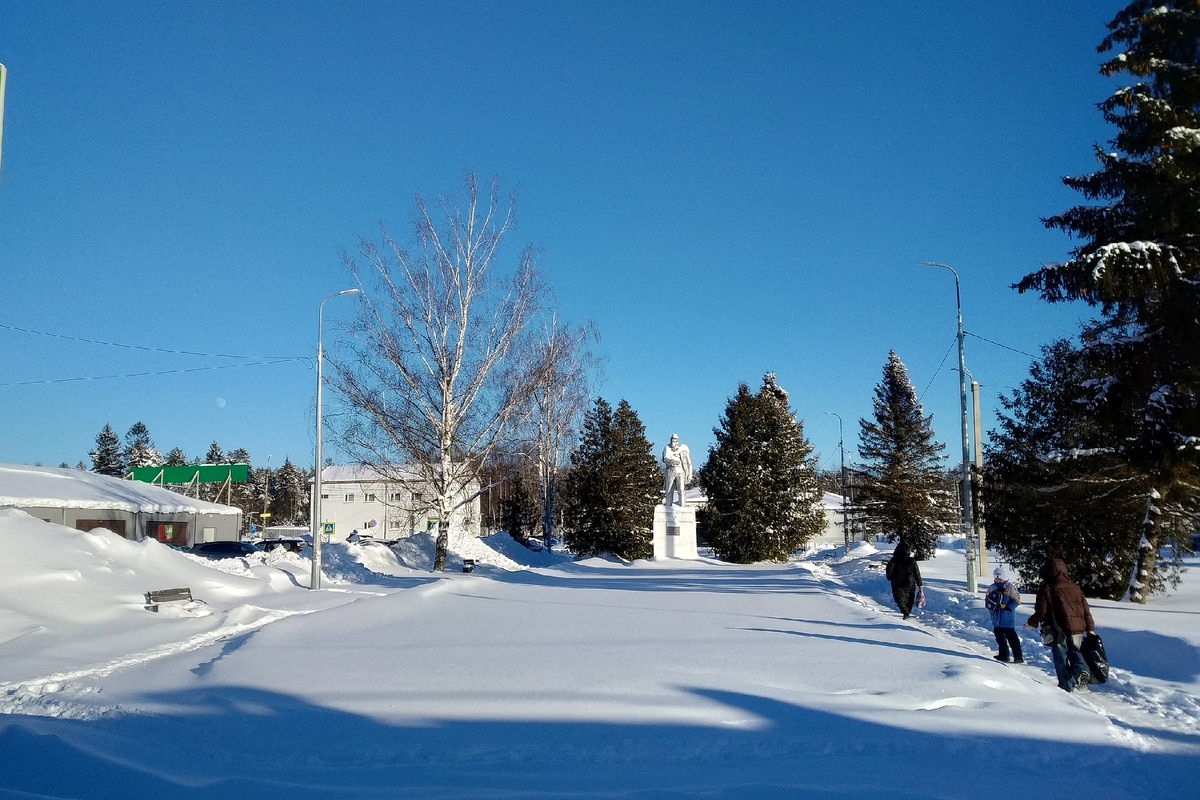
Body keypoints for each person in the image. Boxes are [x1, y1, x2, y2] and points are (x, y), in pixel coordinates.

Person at [1024, 557, 1096, 692]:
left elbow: (1041, 612)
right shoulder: (1075, 588)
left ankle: (1066, 685)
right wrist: (1090, 628)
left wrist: (1031, 623)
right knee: (1075, 651)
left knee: (1061, 656)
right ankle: (1081, 671)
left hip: (1057, 628)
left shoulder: (1046, 588)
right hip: (1077, 627)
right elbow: (1086, 609)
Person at [986, 566, 1023, 664]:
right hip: (996, 618)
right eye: (996, 578)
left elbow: (1017, 600)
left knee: (1012, 638)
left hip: (1007, 618)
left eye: (1000, 578)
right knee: (999, 638)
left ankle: (1018, 656)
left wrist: (1008, 608)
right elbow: (987, 599)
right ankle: (1003, 655)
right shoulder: (992, 587)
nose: (998, 580)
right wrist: (990, 607)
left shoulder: (1010, 587)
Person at [885, 541, 922, 620]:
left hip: (897, 582)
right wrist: (919, 584)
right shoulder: (912, 560)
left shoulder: (894, 560)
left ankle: (905, 611)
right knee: (910, 598)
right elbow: (917, 573)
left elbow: (889, 570)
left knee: (899, 598)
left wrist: (890, 577)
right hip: (910, 582)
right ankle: (907, 611)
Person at [661, 434, 693, 506]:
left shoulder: (682, 449)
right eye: (672, 440)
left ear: (677, 441)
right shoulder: (667, 448)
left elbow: (689, 463)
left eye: (675, 441)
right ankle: (668, 506)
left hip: (680, 472)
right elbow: (664, 458)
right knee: (669, 490)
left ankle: (682, 505)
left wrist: (689, 474)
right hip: (670, 471)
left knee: (681, 490)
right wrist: (671, 462)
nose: (673, 442)